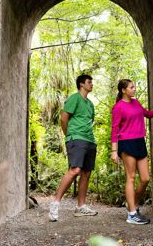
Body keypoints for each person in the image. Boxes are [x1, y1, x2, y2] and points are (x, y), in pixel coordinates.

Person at [110, 79, 153, 225]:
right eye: (132, 87)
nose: (134, 89)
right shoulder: (118, 107)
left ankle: (132, 204)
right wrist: (114, 151)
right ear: (123, 90)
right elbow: (114, 129)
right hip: (127, 143)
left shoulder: (136, 102)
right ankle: (132, 214)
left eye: (134, 87)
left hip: (139, 142)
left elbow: (148, 114)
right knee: (131, 177)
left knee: (145, 178)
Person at [49, 74, 98, 221]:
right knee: (75, 170)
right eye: (89, 82)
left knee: (86, 173)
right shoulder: (74, 98)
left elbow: (89, 122)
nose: (92, 84)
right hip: (76, 138)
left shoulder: (90, 104)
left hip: (90, 140)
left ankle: (80, 207)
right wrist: (68, 135)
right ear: (81, 84)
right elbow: (64, 118)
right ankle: (55, 204)